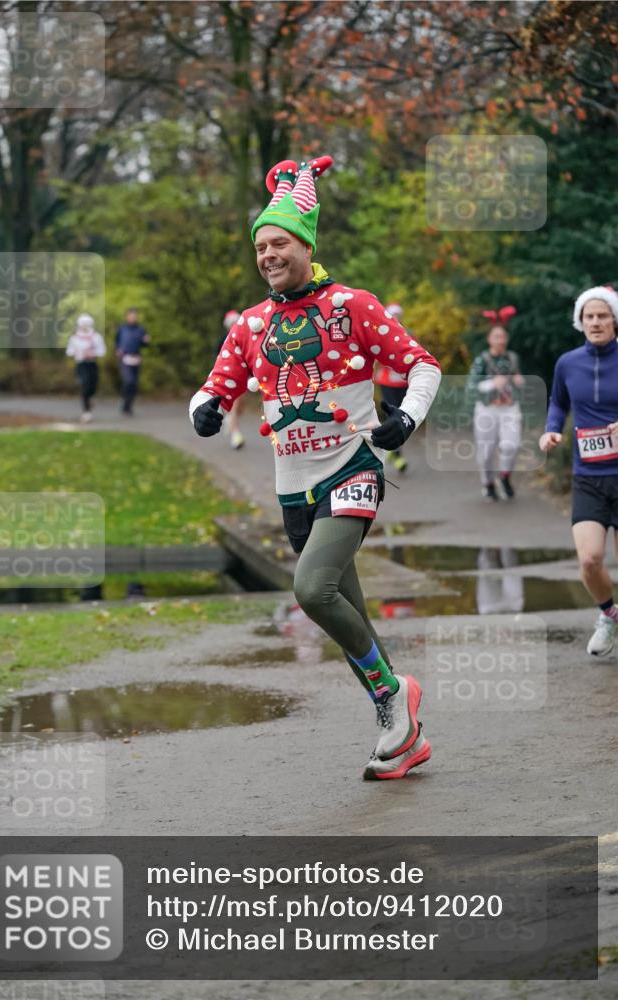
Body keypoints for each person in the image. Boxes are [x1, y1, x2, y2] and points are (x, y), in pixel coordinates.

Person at [189, 155, 441, 779]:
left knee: (311, 591)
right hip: (293, 489)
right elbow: (214, 388)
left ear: (306, 246)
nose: (268, 255)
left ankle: (393, 696)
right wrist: (204, 410)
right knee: (345, 609)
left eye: (279, 244)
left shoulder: (352, 305)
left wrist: (405, 420)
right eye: (261, 247)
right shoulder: (252, 323)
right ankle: (404, 732)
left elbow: (423, 365)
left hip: (353, 466)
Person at [539, 285, 618, 657]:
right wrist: (551, 430)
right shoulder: (568, 363)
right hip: (588, 476)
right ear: (580, 321)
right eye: (589, 316)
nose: (596, 322)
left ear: (614, 320)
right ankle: (609, 615)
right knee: (589, 560)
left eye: (603, 315)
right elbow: (558, 402)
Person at [466, 314, 523, 501]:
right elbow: (472, 386)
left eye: (503, 336)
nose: (500, 340)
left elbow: (517, 381)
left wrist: (519, 381)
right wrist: (491, 383)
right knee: (486, 452)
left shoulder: (513, 357)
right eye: (496, 336)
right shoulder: (482, 360)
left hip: (509, 408)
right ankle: (488, 483)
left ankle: (505, 476)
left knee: (511, 445)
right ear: (489, 339)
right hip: (487, 409)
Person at [374, 302, 409, 472]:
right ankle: (397, 455)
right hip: (387, 382)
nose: (396, 318)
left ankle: (392, 451)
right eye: (392, 315)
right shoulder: (381, 333)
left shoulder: (408, 334)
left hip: (404, 382)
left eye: (398, 315)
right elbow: (376, 356)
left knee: (403, 416)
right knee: (393, 415)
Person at [65, 313, 106, 422]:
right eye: (83, 324)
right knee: (85, 385)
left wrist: (93, 354)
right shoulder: (75, 338)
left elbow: (102, 351)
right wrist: (80, 352)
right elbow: (69, 351)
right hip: (81, 364)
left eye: (86, 324)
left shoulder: (96, 337)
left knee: (92, 387)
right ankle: (86, 412)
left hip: (92, 364)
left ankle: (90, 399)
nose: (84, 326)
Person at [218, 310, 246, 449]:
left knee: (240, 406)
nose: (234, 325)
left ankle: (230, 420)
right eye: (231, 323)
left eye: (236, 322)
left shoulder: (245, 338)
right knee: (235, 404)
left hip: (245, 376)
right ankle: (236, 435)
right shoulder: (223, 340)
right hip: (230, 376)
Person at [115, 308, 150, 415]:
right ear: (127, 317)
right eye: (131, 316)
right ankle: (124, 401)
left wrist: (146, 341)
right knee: (128, 381)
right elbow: (116, 341)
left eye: (135, 316)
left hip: (136, 358)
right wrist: (118, 349)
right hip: (125, 358)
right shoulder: (122, 329)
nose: (133, 318)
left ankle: (128, 406)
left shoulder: (141, 329)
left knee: (134, 384)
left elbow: (145, 344)